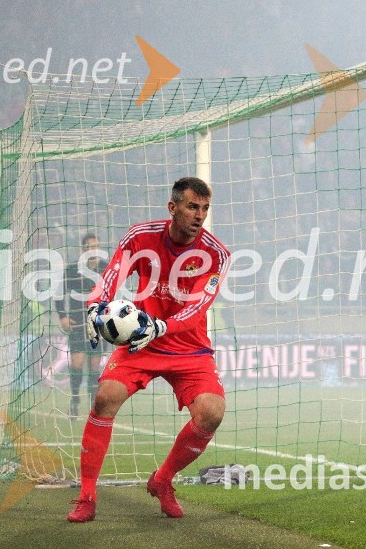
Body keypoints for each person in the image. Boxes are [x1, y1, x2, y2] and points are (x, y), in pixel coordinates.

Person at [67, 177, 230, 522]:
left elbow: (197, 307)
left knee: (212, 412)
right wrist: (96, 306)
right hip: (140, 341)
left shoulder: (216, 254)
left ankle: (163, 480)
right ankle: (86, 496)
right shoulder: (140, 237)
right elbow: (112, 276)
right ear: (173, 208)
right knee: (105, 397)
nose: (199, 216)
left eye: (204, 208)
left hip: (188, 347)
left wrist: (162, 326)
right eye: (192, 207)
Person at [54, 233, 109, 418]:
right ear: (83, 249)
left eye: (96, 246)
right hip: (77, 323)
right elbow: (59, 294)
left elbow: (113, 294)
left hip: (98, 324)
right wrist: (63, 316)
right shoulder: (72, 270)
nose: (93, 251)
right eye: (89, 247)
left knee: (95, 366)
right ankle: (75, 400)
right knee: (77, 364)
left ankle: (94, 405)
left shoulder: (105, 269)